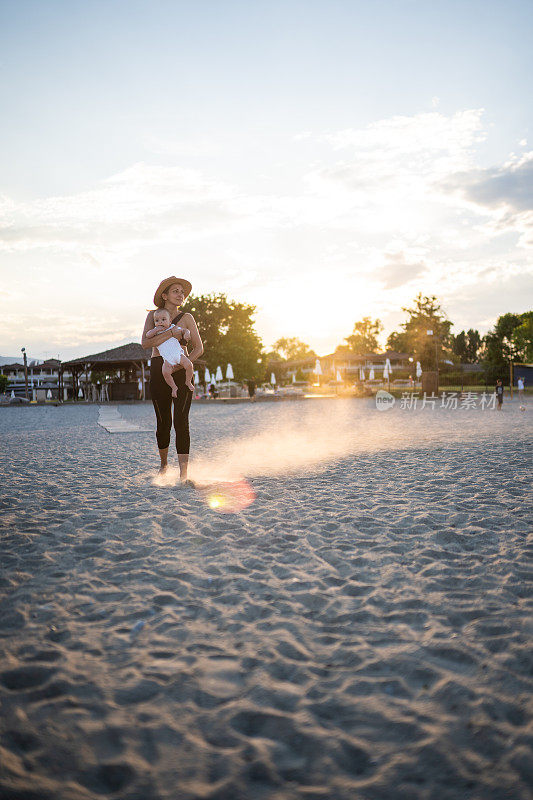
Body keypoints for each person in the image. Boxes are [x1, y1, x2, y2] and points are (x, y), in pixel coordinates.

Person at [141, 277, 203, 480]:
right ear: (164, 295)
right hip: (159, 367)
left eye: (182, 292)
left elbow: (199, 348)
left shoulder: (187, 318)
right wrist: (171, 335)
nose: (181, 295)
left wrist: (183, 363)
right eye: (176, 291)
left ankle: (184, 473)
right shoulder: (153, 316)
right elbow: (144, 343)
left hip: (181, 367)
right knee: (163, 421)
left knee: (181, 421)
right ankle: (164, 464)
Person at [145, 308, 195, 394]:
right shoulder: (155, 333)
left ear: (170, 321)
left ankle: (188, 381)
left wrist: (187, 333)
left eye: (163, 320)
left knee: (189, 365)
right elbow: (147, 335)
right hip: (167, 360)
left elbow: (184, 330)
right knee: (165, 373)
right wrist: (155, 330)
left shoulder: (173, 327)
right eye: (157, 321)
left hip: (178, 355)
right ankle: (174, 387)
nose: (160, 322)